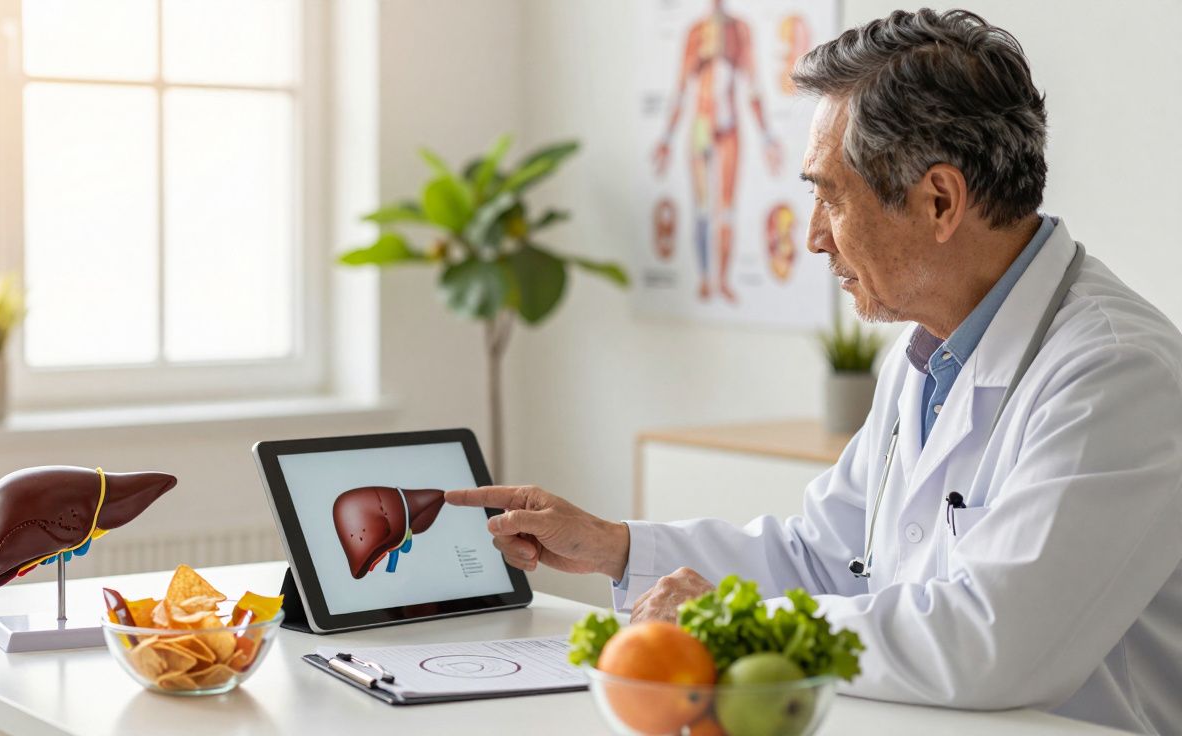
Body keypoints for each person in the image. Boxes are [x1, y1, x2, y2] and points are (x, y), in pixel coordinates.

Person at [446, 9, 1182, 735]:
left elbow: (993, 643)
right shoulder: (927, 355)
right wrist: (618, 545)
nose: (813, 237)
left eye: (830, 195)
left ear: (940, 201)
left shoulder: (1115, 375)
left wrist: (722, 620)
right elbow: (826, 560)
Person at [653, 0, 783, 302]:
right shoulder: (696, 32)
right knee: (701, 208)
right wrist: (666, 139)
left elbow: (753, 87)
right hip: (701, 125)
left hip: (728, 128)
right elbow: (681, 89)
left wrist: (766, 137)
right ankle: (703, 278)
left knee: (725, 209)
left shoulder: (740, 30)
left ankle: (722, 279)